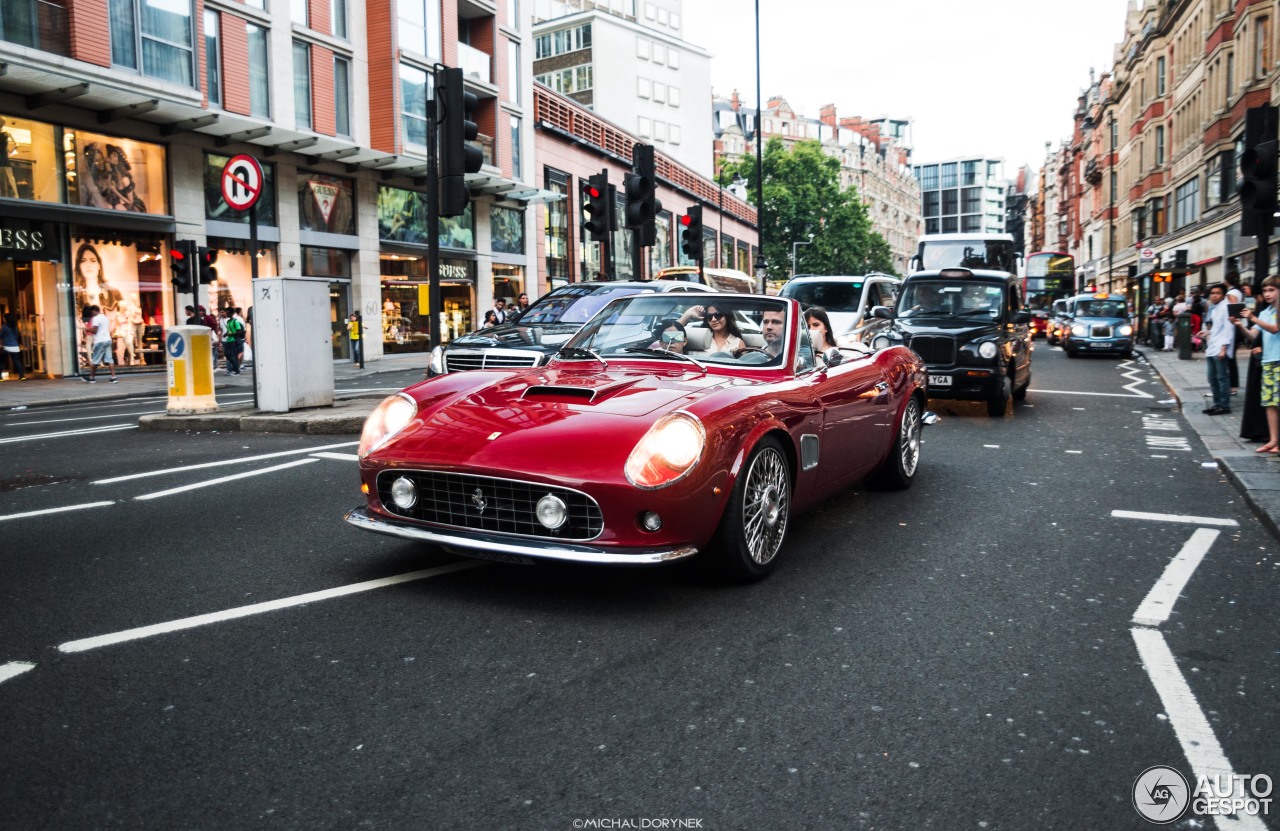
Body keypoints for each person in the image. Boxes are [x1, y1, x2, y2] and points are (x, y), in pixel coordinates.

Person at [1237, 276, 1280, 451]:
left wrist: (1253, 318)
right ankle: (1273, 440)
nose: (1267, 294)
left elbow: (1276, 328)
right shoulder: (1265, 313)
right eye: (1265, 291)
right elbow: (1252, 336)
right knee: (1269, 402)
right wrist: (1239, 325)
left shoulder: (1273, 313)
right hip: (1268, 361)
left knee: (1277, 401)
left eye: (1271, 290)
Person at [1199, 284, 1234, 414]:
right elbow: (1217, 328)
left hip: (1220, 347)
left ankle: (1224, 406)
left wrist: (1224, 348)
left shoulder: (1225, 308)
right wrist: (1206, 333)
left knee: (1222, 378)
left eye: (1217, 293)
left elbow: (1228, 328)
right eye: (1212, 293)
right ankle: (1217, 403)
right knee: (1212, 378)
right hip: (1212, 346)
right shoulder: (1215, 309)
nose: (1214, 295)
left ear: (1223, 295)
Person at [83, 305, 118, 383]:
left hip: (100, 340)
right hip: (108, 339)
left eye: (92, 312)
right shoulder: (105, 318)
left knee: (95, 360)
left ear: (95, 311)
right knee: (109, 359)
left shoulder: (96, 318)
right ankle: (114, 377)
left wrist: (87, 329)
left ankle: (92, 378)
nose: (91, 314)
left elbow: (95, 331)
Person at [0, 312, 26, 380]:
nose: (3, 319)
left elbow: (1, 335)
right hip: (15, 346)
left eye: (4, 318)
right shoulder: (15, 326)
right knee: (17, 361)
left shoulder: (5, 326)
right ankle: (22, 376)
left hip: (7, 346)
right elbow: (16, 336)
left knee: (1, 361)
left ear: (6, 319)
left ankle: (0, 377)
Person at [221, 307, 245, 375]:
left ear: (231, 313)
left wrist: (229, 334)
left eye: (228, 312)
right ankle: (236, 367)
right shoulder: (228, 321)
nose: (227, 314)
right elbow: (229, 330)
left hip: (234, 340)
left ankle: (236, 370)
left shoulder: (235, 321)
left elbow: (239, 331)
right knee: (227, 354)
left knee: (233, 355)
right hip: (229, 340)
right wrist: (226, 334)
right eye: (226, 312)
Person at [0, 117, 19, 199]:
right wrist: (12, 150)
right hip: (3, 156)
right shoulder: (7, 134)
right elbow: (17, 144)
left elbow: (17, 144)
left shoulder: (7, 134)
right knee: (9, 176)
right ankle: (15, 195)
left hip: (4, 156)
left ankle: (16, 195)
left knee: (10, 176)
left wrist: (12, 151)